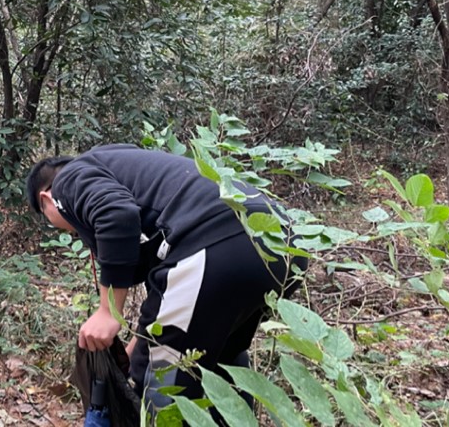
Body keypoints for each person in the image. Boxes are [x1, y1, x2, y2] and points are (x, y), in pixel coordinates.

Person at [26, 144, 307, 415]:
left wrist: (108, 311)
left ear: (45, 200)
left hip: (216, 243)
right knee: (218, 369)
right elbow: (166, 297)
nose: (72, 233)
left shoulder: (69, 180)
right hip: (282, 244)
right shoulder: (121, 167)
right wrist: (138, 348)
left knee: (162, 380)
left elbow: (116, 215)